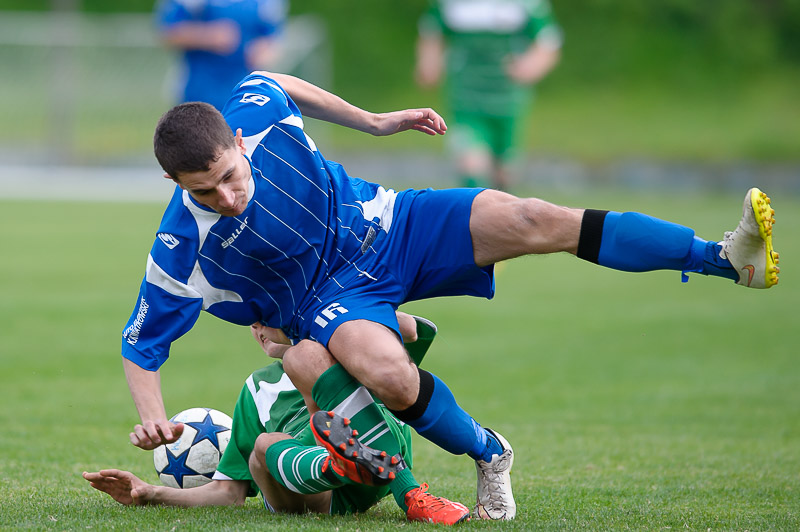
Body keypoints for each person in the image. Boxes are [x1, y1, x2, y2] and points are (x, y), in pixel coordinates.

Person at [120, 70, 779, 521]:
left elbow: (278, 83)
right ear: (176, 183)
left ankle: (727, 260)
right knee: (385, 372)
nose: (226, 197)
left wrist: (374, 121)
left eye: (231, 178)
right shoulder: (182, 246)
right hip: (329, 298)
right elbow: (141, 344)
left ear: (238, 142)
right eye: (204, 191)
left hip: (391, 222)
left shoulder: (255, 115)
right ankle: (488, 453)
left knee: (534, 218)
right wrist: (152, 418)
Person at [86, 315, 471, 524]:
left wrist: (337, 318)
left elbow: (420, 330)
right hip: (313, 495)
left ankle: (350, 457)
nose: (256, 328)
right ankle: (336, 460)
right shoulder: (257, 388)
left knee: (376, 399)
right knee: (265, 446)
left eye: (267, 316)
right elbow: (229, 493)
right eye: (251, 320)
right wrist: (150, 493)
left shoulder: (356, 348)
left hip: (376, 465)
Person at [415, 0, 563, 190]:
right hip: (466, 98)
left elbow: (548, 41)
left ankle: (503, 214)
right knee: (471, 164)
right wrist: (428, 62)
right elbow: (431, 32)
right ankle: (470, 216)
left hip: (508, 100)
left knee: (505, 172)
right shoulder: (450, 4)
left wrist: (532, 65)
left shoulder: (526, 4)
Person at [155, 0, 287, 111]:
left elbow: (272, 37)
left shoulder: (266, 3)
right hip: (197, 91)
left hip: (245, 94)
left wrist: (263, 51)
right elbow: (168, 32)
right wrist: (207, 35)